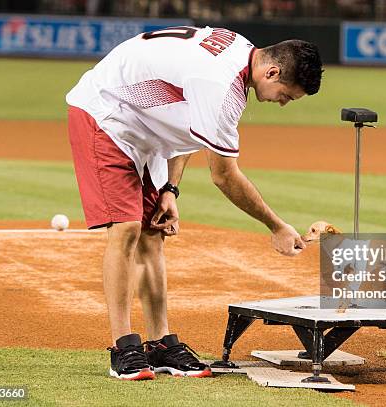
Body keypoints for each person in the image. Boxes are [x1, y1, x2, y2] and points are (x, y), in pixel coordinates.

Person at [66, 25, 323, 380]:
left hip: (146, 126)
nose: (282, 103)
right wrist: (276, 225)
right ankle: (123, 347)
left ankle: (160, 345)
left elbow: (189, 127)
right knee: (125, 229)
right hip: (106, 113)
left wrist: (170, 188)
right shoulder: (221, 85)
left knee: (152, 233)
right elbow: (224, 176)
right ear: (272, 72)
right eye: (286, 95)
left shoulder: (240, 53)